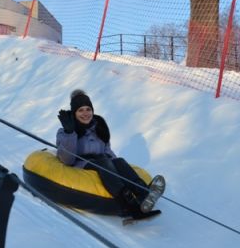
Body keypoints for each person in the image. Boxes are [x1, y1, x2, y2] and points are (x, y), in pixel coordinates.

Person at [56, 89, 165, 217]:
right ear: (74, 112)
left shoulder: (99, 127)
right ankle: (127, 204)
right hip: (82, 163)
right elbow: (67, 160)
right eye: (80, 110)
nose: (85, 113)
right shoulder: (65, 131)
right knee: (104, 163)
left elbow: (107, 150)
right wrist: (70, 133)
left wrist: (116, 164)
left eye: (88, 109)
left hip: (102, 161)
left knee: (119, 161)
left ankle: (144, 195)